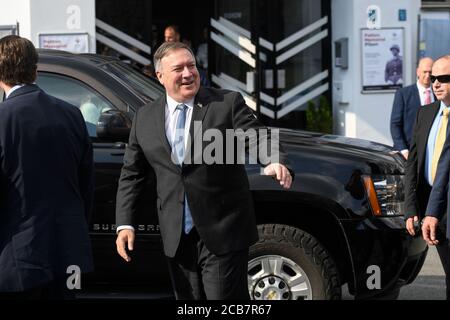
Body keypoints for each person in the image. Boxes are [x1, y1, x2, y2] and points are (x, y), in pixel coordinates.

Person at [115, 41, 293, 300]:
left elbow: (255, 135)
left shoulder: (226, 103)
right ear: (160, 76)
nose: (188, 73)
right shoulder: (145, 117)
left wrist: (273, 159)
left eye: (192, 66)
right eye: (179, 69)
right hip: (176, 236)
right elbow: (132, 174)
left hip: (222, 231)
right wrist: (124, 224)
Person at [0, 35, 94, 298]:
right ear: (35, 69)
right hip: (68, 253)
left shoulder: (2, 120)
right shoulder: (72, 114)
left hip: (18, 257)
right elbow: (86, 187)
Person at [405, 55, 450, 300]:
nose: (436, 84)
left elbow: (446, 169)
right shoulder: (426, 113)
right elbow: (412, 163)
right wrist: (411, 206)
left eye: (444, 79)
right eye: (434, 78)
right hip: (431, 209)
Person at [390, 57, 434, 159]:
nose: (428, 75)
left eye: (430, 72)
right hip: (408, 153)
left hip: (432, 153)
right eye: (425, 72)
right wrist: (404, 150)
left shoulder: (439, 95)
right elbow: (395, 124)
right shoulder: (403, 94)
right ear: (417, 72)